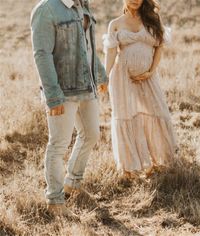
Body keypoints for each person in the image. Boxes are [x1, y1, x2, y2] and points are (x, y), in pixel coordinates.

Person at [31, 0, 107, 217]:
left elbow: (88, 46)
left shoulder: (83, 5)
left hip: (86, 85)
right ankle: (55, 201)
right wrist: (53, 96)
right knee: (57, 145)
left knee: (91, 134)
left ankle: (73, 182)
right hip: (63, 91)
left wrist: (100, 74)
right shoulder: (46, 9)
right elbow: (41, 55)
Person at [103, 0, 178, 179]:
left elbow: (159, 46)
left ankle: (160, 160)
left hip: (148, 78)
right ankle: (130, 167)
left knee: (158, 113)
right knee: (126, 117)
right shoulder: (115, 24)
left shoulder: (152, 19)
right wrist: (104, 77)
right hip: (122, 78)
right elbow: (111, 53)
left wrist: (151, 71)